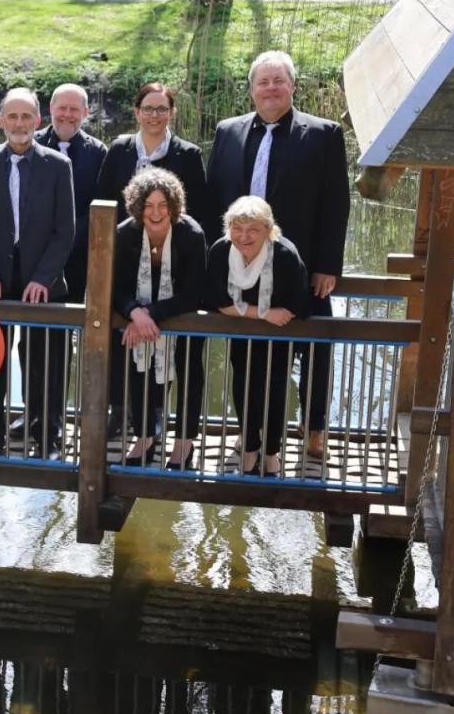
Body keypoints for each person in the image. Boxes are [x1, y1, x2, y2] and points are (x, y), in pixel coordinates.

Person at [206, 51, 349, 466]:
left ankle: (315, 428)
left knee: (316, 347)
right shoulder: (228, 132)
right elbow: (215, 196)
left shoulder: (323, 134)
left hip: (301, 269)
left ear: (292, 86)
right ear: (251, 90)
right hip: (242, 266)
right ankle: (247, 430)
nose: (270, 89)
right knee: (243, 355)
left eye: (278, 81)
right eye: (262, 82)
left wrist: (328, 265)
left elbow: (335, 204)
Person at [0, 88, 75, 457]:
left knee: (44, 365)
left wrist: (42, 279)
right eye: (12, 117)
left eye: (26, 117)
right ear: (1, 121)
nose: (19, 124)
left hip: (43, 285)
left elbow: (65, 231)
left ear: (38, 121)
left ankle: (47, 436)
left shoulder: (59, 166)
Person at [109, 169, 208, 471]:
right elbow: (113, 285)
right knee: (139, 375)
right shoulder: (125, 234)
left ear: (174, 206)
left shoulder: (190, 235)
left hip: (183, 318)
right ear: (138, 207)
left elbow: (194, 293)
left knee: (189, 377)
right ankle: (145, 438)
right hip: (140, 319)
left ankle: (184, 445)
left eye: (163, 205)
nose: (155, 213)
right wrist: (134, 312)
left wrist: (149, 314)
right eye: (149, 205)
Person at [204, 196, 309, 476]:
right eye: (237, 228)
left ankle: (272, 451)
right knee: (244, 387)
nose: (244, 236)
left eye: (253, 230)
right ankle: (249, 447)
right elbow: (217, 300)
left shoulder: (285, 255)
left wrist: (270, 315)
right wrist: (263, 314)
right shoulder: (220, 252)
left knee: (276, 390)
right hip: (242, 336)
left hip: (280, 338)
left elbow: (295, 304)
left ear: (268, 229)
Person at [96, 83, 210, 232]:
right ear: (137, 112)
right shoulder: (119, 149)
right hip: (122, 243)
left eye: (162, 109)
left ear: (172, 113)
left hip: (172, 245)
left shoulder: (189, 154)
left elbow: (197, 210)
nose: (154, 115)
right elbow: (102, 200)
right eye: (148, 109)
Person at [34, 83, 109, 302]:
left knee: (69, 321)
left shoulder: (98, 152)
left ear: (85, 113)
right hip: (34, 255)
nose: (67, 115)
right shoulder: (31, 144)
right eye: (62, 108)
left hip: (77, 256)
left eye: (74, 109)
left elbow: (99, 203)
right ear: (51, 108)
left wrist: (68, 238)